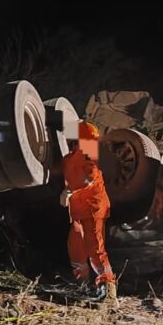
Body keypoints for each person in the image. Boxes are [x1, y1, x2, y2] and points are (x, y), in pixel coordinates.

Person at [60, 122, 116, 303]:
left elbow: (90, 177)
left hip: (93, 209)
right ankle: (82, 285)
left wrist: (69, 191)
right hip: (78, 210)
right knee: (76, 246)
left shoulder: (88, 154)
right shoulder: (69, 158)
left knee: (95, 249)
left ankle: (108, 290)